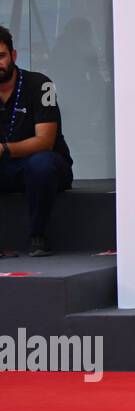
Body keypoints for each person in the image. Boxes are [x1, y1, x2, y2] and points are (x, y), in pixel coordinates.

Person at [0, 25, 73, 258]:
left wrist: (4, 149)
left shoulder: (43, 85)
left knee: (41, 163)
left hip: (46, 166)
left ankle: (38, 236)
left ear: (13, 55)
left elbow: (45, 141)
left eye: (1, 56)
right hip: (7, 168)